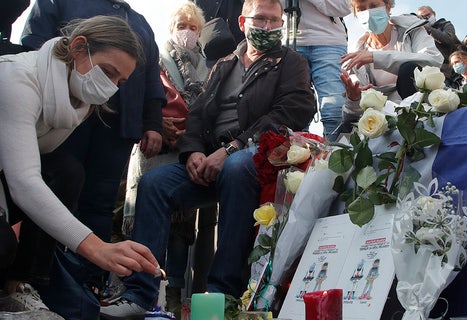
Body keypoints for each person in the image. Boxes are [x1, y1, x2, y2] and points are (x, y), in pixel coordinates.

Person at [99, 0, 316, 317]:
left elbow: (292, 111)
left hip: (255, 155)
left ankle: (222, 294)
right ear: (242, 22)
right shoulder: (224, 64)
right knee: (154, 184)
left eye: (274, 21)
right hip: (211, 157)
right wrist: (193, 153)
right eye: (261, 20)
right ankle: (139, 295)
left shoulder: (291, 63)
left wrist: (230, 149)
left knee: (237, 167)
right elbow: (198, 115)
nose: (268, 28)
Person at [0, 16, 158, 313]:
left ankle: (20, 285)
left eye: (119, 81)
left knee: (66, 171)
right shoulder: (16, 79)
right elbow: (24, 182)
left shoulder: (77, 102)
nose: (110, 87)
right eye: (108, 72)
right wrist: (98, 248)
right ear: (78, 47)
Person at [116, 1, 212, 314]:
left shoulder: (210, 66)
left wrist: (192, 135)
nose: (187, 32)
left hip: (190, 148)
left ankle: (174, 294)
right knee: (151, 213)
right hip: (156, 146)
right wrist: (156, 122)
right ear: (171, 29)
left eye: (193, 27)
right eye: (181, 26)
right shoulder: (153, 58)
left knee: (183, 227)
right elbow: (145, 94)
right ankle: (139, 289)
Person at [340, 0, 443, 125]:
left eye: (373, 6)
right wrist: (354, 99)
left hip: (423, 109)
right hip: (386, 123)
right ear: (355, 14)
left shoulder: (411, 29)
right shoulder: (356, 57)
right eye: (361, 9)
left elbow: (434, 60)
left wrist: (376, 57)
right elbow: (352, 116)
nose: (368, 13)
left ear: (388, 6)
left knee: (408, 70)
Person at [280, 0, 351, 141]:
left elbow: (346, 7)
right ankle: (299, 158)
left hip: (329, 42)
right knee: (295, 110)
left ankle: (335, 156)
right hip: (288, 42)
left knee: (334, 108)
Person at [416, 5, 461, 75]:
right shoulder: (420, 33)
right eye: (423, 18)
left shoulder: (445, 25)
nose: (426, 18)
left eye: (428, 15)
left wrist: (429, 29)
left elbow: (449, 39)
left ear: (434, 13)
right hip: (429, 68)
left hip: (447, 67)